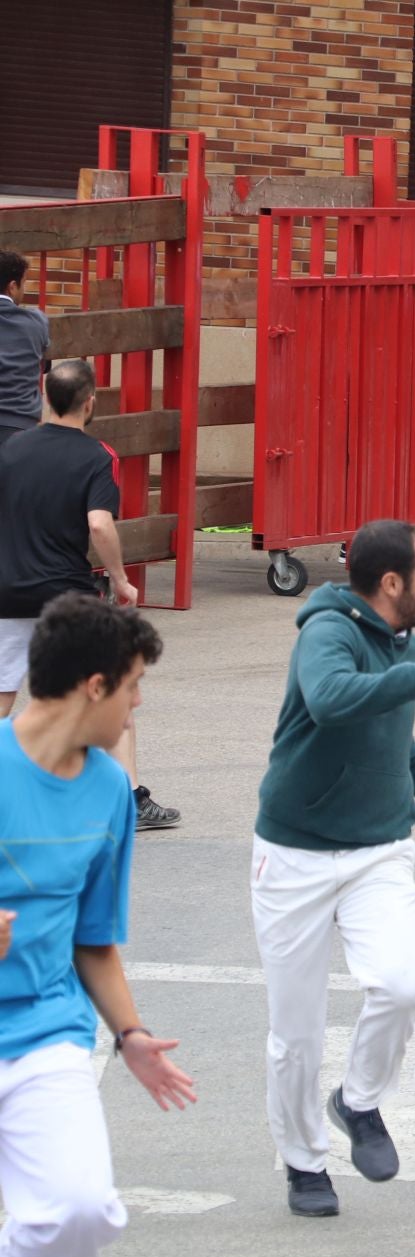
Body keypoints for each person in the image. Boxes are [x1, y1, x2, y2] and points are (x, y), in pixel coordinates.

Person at [252, 520, 415, 1218]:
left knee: (400, 987)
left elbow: (392, 741)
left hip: (378, 850)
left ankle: (358, 1102)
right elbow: (333, 701)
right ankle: (305, 1164)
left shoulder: (406, 644)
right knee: (297, 1033)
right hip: (294, 854)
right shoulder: (326, 635)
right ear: (391, 583)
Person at [0, 593, 197, 1257]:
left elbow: (93, 938)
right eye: (134, 685)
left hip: (45, 1029)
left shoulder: (111, 789)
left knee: (82, 1211)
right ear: (95, 686)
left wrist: (131, 1035)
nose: (137, 705)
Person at [0, 360, 179, 831]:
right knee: (111, 695)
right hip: (67, 594)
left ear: (44, 395)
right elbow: (99, 523)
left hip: (7, 591)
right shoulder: (98, 455)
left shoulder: (12, 449)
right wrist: (120, 580)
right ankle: (129, 800)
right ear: (90, 402)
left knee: (1, 698)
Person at [0, 251, 49, 453]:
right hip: (21, 425)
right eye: (25, 282)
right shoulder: (36, 321)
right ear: (12, 287)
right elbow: (45, 364)